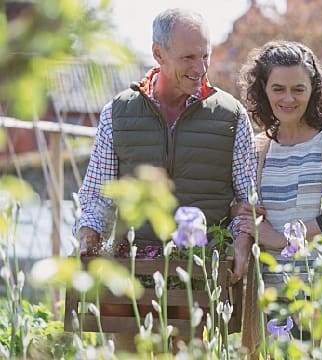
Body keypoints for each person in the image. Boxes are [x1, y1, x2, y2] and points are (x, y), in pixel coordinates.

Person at [74, 7, 255, 341]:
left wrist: (242, 242)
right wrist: (89, 233)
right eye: (188, 57)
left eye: (205, 56)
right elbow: (97, 196)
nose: (200, 69)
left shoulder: (231, 116)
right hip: (132, 275)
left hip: (199, 278)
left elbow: (246, 201)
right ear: (158, 53)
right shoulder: (118, 112)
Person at [235, 40, 322, 355]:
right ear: (262, 91)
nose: (288, 98)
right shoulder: (258, 148)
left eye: (298, 89)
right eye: (278, 88)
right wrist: (243, 216)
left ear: (313, 89)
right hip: (272, 298)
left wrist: (283, 238)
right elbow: (245, 212)